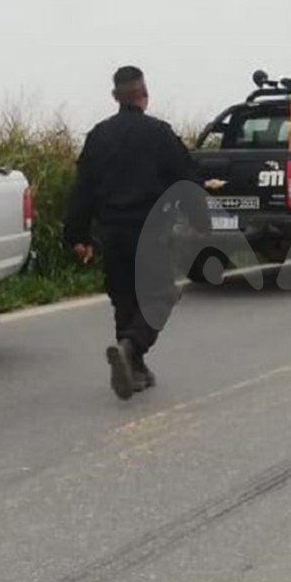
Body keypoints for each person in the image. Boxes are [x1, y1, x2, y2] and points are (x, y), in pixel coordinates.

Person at [64, 66, 201, 400]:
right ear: (144, 93)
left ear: (115, 96)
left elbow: (82, 189)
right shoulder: (160, 134)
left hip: (112, 235)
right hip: (151, 232)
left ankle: (134, 368)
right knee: (160, 296)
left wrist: (77, 236)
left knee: (125, 299)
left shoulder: (98, 136)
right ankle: (130, 348)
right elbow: (187, 179)